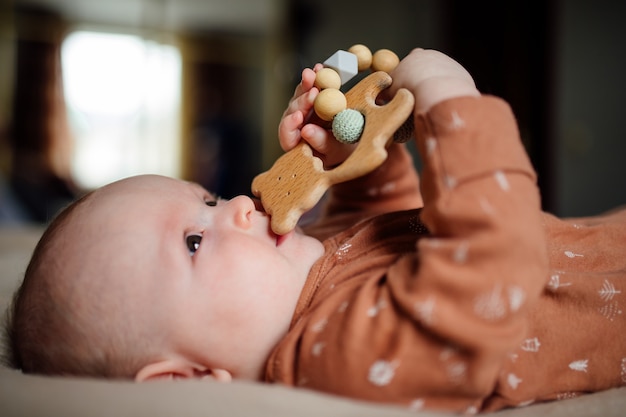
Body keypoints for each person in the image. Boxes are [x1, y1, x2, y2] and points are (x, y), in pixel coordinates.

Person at [4, 48, 625, 413]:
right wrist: (449, 105)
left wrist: (340, 162)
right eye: (195, 241)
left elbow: (391, 228)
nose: (240, 207)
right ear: (184, 381)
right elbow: (492, 271)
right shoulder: (336, 362)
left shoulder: (303, 274)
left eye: (212, 199)